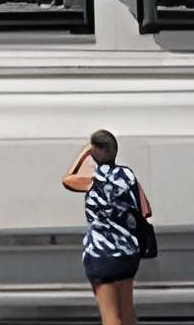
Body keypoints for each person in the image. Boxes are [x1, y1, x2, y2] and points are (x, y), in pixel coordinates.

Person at [62, 130, 152, 324]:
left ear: (94, 151)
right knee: (127, 315)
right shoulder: (128, 176)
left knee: (110, 318)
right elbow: (145, 209)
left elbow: (67, 179)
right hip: (129, 254)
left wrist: (85, 152)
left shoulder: (92, 180)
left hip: (102, 256)